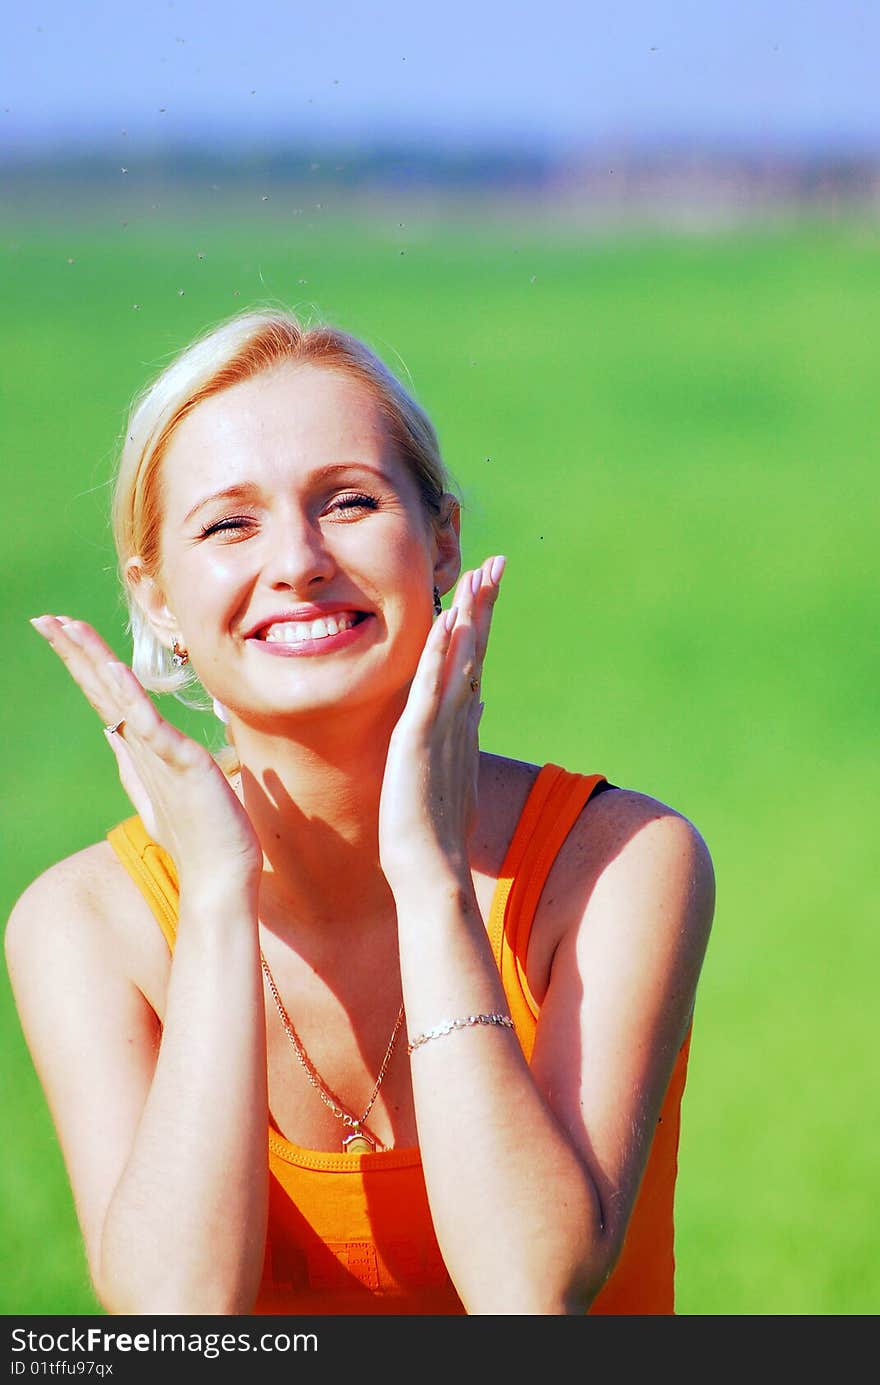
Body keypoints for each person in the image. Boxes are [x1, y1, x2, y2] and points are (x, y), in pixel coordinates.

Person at [6, 307, 715, 1317]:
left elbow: (532, 1285)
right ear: (156, 596)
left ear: (442, 541)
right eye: (227, 523)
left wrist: (429, 879)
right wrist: (214, 901)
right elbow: (173, 1320)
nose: (296, 560)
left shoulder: (616, 861)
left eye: (347, 501)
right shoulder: (83, 924)